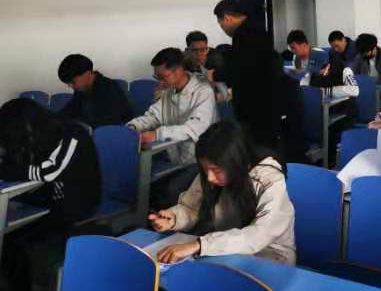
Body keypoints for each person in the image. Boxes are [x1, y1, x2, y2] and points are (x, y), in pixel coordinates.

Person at [149, 122, 296, 265]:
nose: (209, 177)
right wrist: (173, 218)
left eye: (216, 170)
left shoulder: (269, 180)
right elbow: (192, 208)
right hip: (225, 251)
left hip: (270, 258)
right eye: (205, 169)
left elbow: (259, 235)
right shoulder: (214, 173)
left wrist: (200, 245)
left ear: (236, 163)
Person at [0, 98, 101, 291]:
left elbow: (49, 171)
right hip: (49, 198)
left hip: (74, 204)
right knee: (8, 231)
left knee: (16, 239)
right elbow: (23, 164)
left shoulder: (73, 134)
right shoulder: (39, 137)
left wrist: (9, 169)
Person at [127, 48, 219, 208]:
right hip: (178, 159)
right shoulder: (169, 92)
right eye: (156, 78)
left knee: (170, 192)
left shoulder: (203, 91)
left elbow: (195, 128)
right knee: (147, 187)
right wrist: (133, 126)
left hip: (203, 160)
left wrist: (157, 134)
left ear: (178, 70)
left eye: (162, 77)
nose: (159, 82)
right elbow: (154, 116)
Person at [215, 0, 303, 158]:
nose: (224, 29)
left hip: (258, 108)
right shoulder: (256, 28)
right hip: (268, 104)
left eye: (221, 25)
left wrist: (217, 74)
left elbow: (243, 71)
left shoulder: (244, 34)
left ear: (227, 18)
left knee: (262, 152)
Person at [56, 53, 132, 128]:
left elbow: (108, 123)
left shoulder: (110, 89)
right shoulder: (82, 89)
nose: (70, 86)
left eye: (73, 82)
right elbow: (70, 110)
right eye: (68, 83)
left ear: (87, 74)